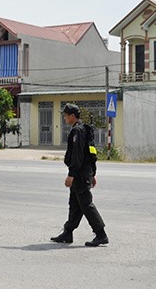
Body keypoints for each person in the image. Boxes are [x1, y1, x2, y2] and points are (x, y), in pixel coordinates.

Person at [51, 103, 109, 247]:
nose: (64, 118)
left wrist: (71, 175)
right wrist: (93, 174)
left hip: (80, 174)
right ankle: (68, 232)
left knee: (86, 204)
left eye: (65, 115)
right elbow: (91, 154)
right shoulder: (84, 130)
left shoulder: (77, 131)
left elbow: (77, 155)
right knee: (75, 204)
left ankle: (101, 234)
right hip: (84, 173)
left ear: (72, 116)